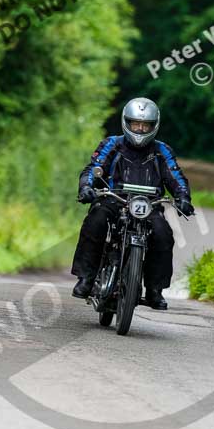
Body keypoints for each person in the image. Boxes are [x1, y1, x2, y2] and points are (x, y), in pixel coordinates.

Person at [71, 97, 194, 310]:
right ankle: (86, 278)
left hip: (150, 205)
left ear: (154, 126)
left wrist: (183, 197)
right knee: (96, 221)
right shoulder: (112, 143)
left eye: (145, 125)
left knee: (163, 235)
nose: (139, 128)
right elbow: (94, 167)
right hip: (113, 200)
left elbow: (175, 175)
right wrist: (86, 187)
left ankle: (155, 290)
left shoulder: (162, 150)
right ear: (126, 122)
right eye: (135, 123)